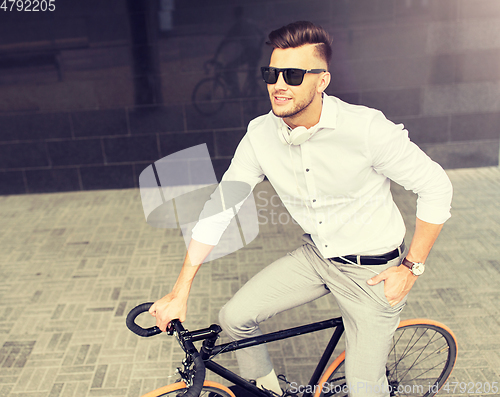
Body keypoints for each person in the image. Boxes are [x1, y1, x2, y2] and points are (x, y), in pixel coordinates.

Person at [149, 21, 453, 397]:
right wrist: (181, 291)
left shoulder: (366, 129)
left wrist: (410, 267)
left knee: (365, 391)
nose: (279, 84)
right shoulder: (260, 135)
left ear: (322, 80)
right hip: (318, 256)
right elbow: (220, 209)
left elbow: (436, 187)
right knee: (234, 318)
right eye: (271, 73)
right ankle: (265, 392)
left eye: (293, 75)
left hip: (373, 274)